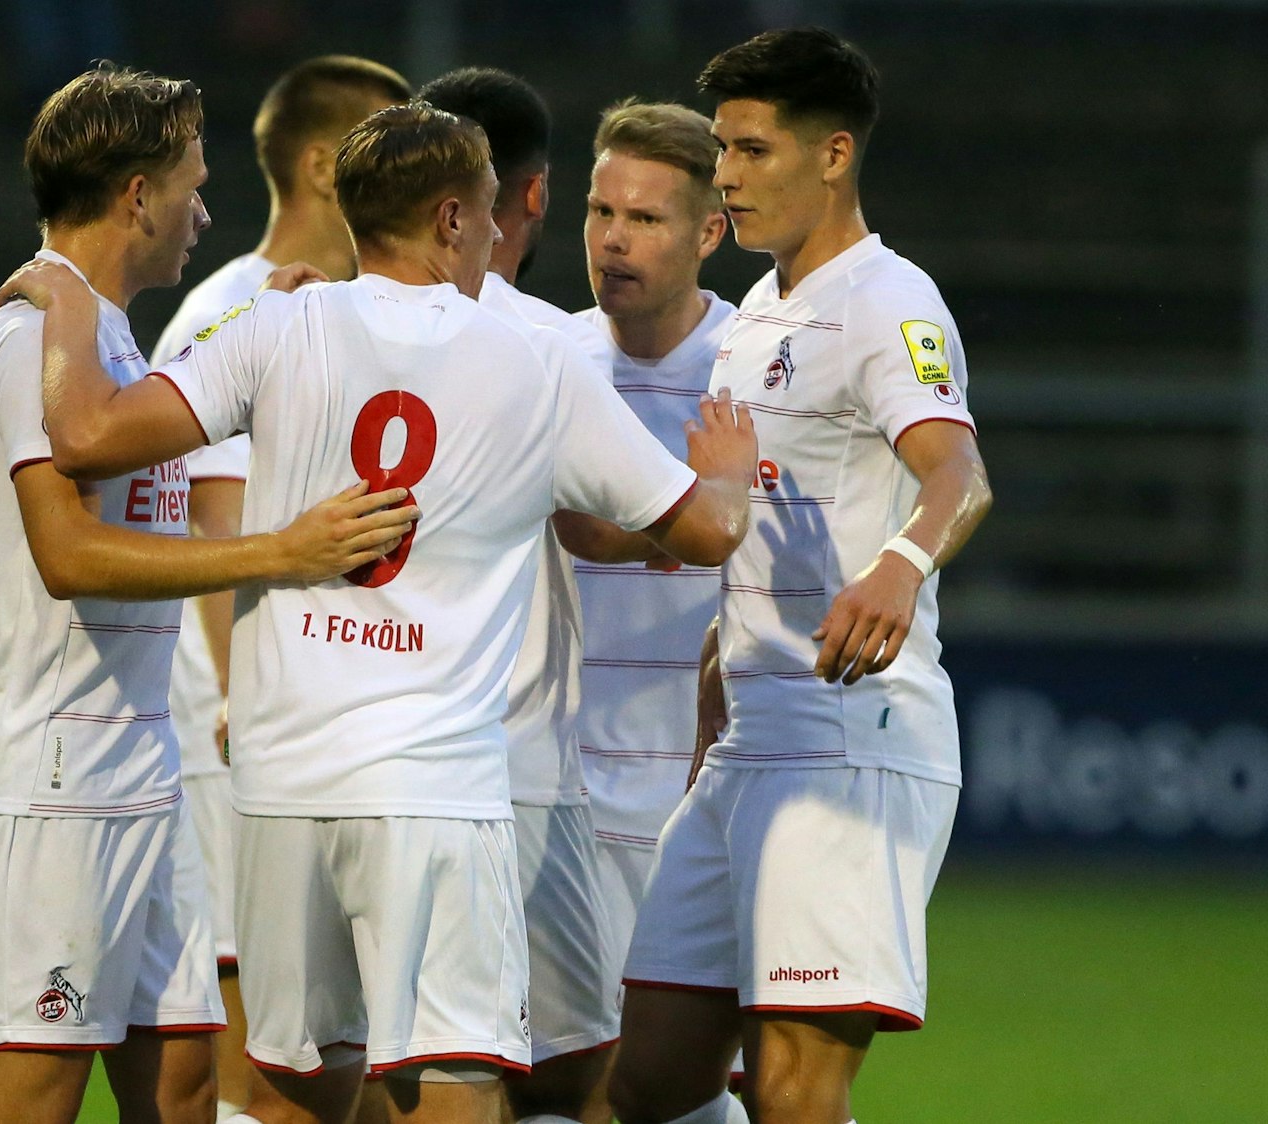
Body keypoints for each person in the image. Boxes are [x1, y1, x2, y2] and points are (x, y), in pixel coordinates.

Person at [0, 101, 757, 1124]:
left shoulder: (275, 324)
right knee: (462, 1083)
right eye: (487, 211)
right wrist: (728, 477)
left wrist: (64, 294)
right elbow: (703, 533)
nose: (496, 233)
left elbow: (83, 434)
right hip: (433, 786)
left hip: (281, 785)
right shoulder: (534, 361)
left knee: (297, 1093)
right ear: (451, 218)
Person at [0, 64, 419, 1124]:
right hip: (45, 767)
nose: (203, 213)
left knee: (185, 1082)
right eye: (192, 188)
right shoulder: (33, 333)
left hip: (134, 759)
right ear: (137, 196)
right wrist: (278, 552)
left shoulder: (100, 333)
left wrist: (272, 319)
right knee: (33, 1099)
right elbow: (68, 554)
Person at [608, 29, 994, 1124]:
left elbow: (959, 473)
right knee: (649, 1082)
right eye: (721, 149)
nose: (725, 175)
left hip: (847, 739)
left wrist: (899, 567)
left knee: (792, 1088)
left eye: (751, 149)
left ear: (832, 155)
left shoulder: (887, 301)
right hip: (747, 742)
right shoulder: (754, 319)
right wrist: (717, 666)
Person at [147, 54, 410, 1120]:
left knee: (335, 1045)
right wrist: (238, 699)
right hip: (239, 730)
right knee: (263, 1056)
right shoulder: (234, 310)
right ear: (321, 165)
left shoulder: (342, 308)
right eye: (385, 143)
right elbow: (216, 521)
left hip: (314, 720)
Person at [417, 66, 616, 1124]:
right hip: (513, 760)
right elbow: (614, 521)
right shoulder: (549, 342)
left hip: (366, 749)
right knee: (582, 1074)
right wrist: (728, 496)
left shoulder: (313, 321)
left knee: (366, 1064)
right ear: (532, 195)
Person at [557, 99, 747, 1122]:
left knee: (675, 1092)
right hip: (553, 797)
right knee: (542, 1084)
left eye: (645, 218)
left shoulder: (755, 367)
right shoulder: (548, 358)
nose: (614, 240)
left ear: (709, 230)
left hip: (695, 800)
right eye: (600, 212)